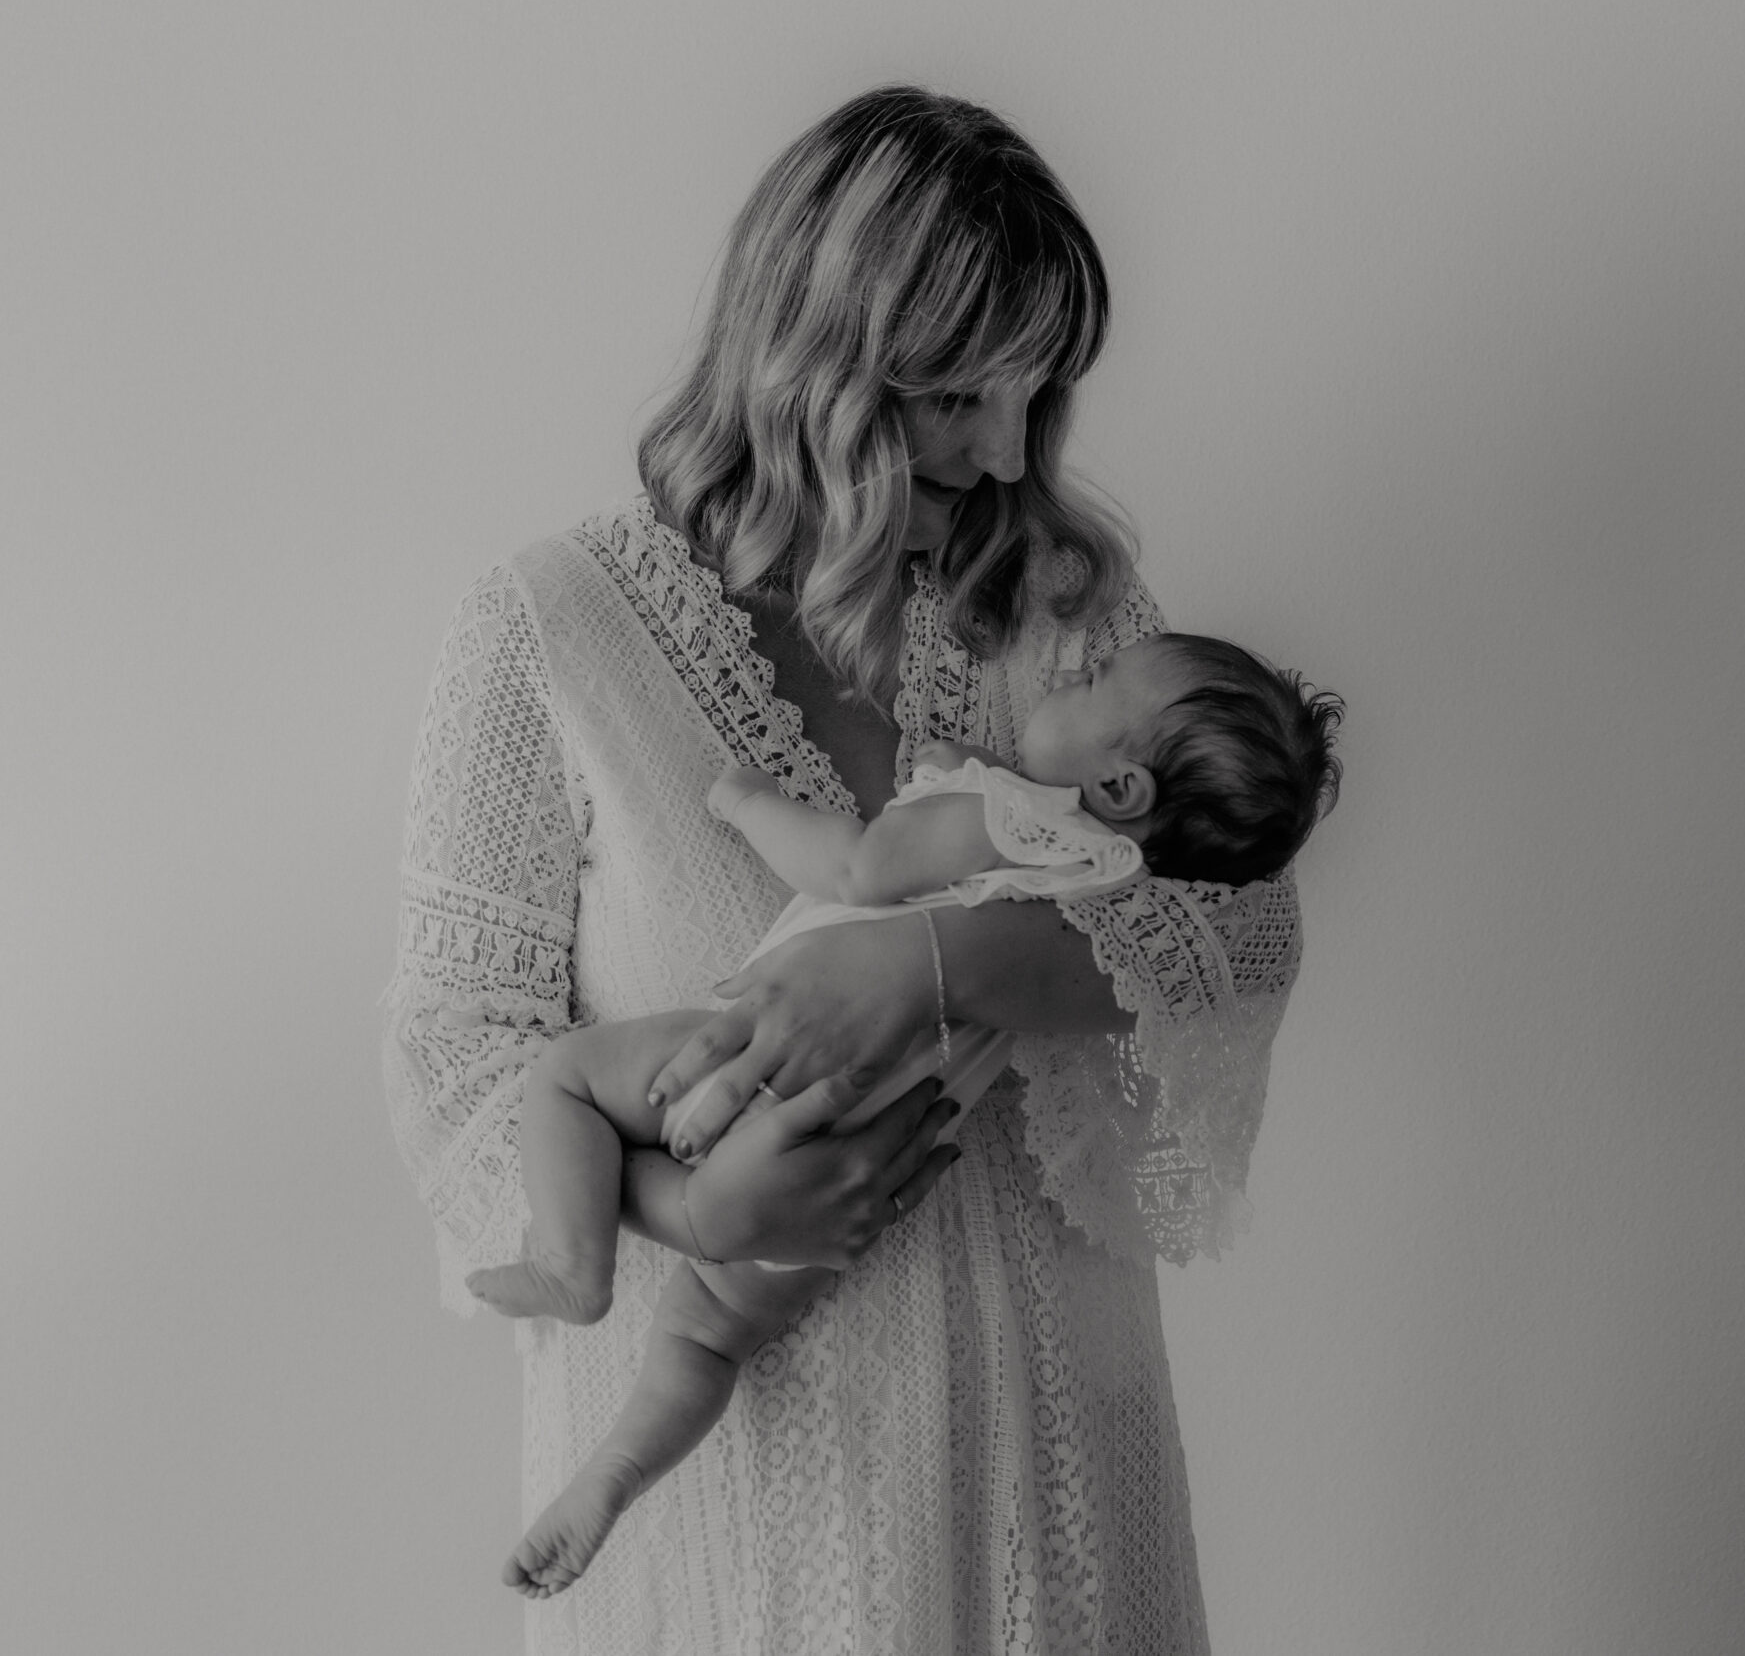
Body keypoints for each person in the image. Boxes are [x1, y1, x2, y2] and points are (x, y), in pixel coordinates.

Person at [385, 84, 1311, 1655]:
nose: (1007, 450)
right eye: (960, 392)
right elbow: (454, 1054)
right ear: (819, 357)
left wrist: (923, 966)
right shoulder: (550, 630)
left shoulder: (1062, 607)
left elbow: (1247, 922)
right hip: (738, 1509)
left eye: (1037, 391)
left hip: (1054, 1488)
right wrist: (692, 1202)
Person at [467, 634, 1342, 1598]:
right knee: (707, 1335)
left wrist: (747, 801)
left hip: (762, 1060)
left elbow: (858, 868)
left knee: (568, 1079)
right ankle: (616, 1469)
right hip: (862, 1153)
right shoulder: (1116, 879)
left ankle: (574, 1262)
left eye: (1093, 680)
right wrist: (968, 775)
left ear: (1122, 786)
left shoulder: (1011, 815)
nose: (1067, 671)